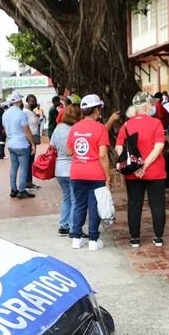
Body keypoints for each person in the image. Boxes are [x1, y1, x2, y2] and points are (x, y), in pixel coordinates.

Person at [116, 92, 167, 248]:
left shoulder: (126, 125)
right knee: (157, 205)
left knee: (134, 204)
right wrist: (144, 166)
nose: (153, 106)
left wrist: (134, 166)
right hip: (155, 172)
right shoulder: (156, 123)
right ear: (147, 106)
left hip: (133, 174)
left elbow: (118, 147)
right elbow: (159, 146)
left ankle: (135, 239)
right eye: (151, 104)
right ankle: (158, 237)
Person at [67, 94, 111, 251]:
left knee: (79, 205)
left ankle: (76, 239)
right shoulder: (101, 129)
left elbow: (69, 151)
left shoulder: (74, 128)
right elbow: (103, 155)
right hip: (95, 174)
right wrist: (108, 177)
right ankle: (93, 240)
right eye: (100, 109)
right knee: (94, 207)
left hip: (77, 173)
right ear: (96, 110)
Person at [50, 103, 81, 236]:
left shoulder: (58, 128)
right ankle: (74, 227)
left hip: (59, 169)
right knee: (75, 199)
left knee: (66, 198)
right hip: (71, 168)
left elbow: (52, 146)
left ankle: (63, 225)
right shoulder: (75, 130)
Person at [3, 92, 36, 199]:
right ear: (19, 101)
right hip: (22, 144)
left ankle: (13, 189)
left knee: (13, 167)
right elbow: (27, 131)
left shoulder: (5, 114)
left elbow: (5, 129)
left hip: (11, 144)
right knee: (23, 168)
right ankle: (22, 190)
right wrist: (32, 144)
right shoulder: (21, 114)